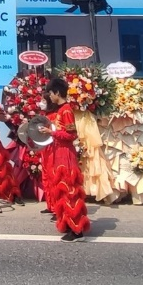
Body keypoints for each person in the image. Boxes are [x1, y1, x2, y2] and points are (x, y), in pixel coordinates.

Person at [40, 77, 91, 241]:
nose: (49, 96)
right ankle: (68, 224)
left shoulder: (66, 110)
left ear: (57, 93)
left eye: (50, 93)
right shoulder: (60, 110)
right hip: (58, 153)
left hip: (65, 154)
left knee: (70, 192)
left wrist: (51, 133)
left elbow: (71, 135)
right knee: (62, 192)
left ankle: (77, 231)